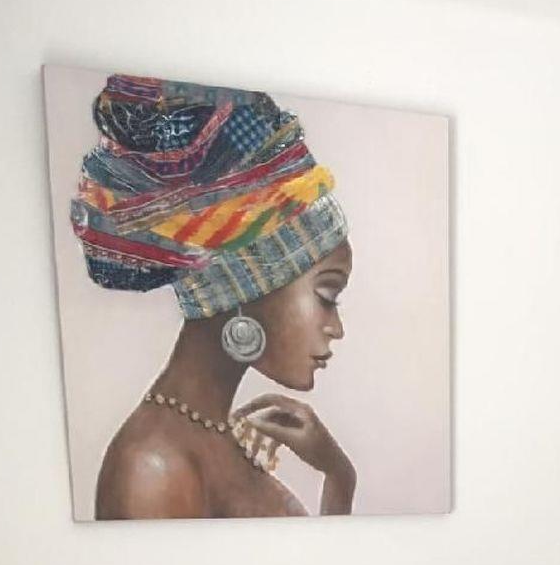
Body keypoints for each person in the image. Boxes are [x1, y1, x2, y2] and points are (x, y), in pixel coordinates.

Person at [70, 74, 356, 518]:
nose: (336, 328)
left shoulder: (217, 435)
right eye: (327, 295)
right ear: (245, 287)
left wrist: (339, 476)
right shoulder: (153, 468)